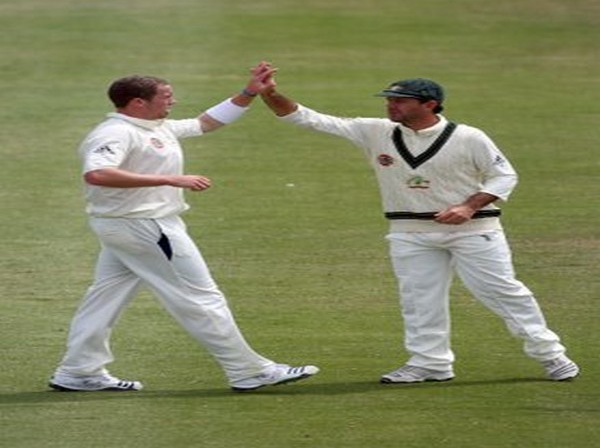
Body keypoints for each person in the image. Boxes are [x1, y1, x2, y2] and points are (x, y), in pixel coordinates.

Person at [258, 68, 579, 383]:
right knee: (418, 300)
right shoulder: (376, 131)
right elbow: (309, 118)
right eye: (389, 100)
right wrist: (271, 95)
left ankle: (551, 355)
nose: (391, 106)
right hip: (409, 232)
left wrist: (468, 206)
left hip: (474, 231)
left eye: (401, 101)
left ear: (429, 104)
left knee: (503, 293)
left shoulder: (468, 136)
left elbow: (504, 174)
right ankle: (430, 363)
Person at [49, 62, 319, 392]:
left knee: (104, 299)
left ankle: (78, 371)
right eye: (165, 96)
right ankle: (249, 371)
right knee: (201, 298)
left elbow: (206, 122)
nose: (172, 102)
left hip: (127, 228)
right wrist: (169, 178)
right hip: (145, 227)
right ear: (138, 102)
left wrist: (249, 93)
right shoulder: (116, 132)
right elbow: (97, 174)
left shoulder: (156, 127)